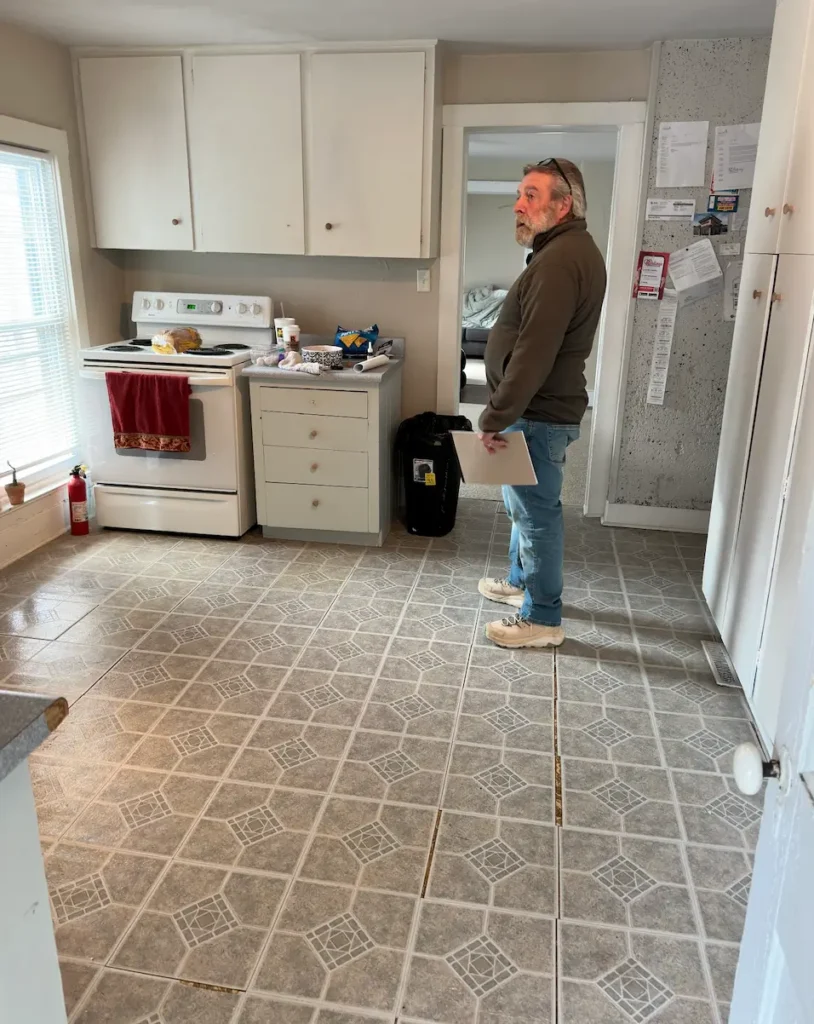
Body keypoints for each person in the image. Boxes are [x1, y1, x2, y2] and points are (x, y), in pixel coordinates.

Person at [477, 158, 607, 649]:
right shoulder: (563, 252)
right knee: (523, 507)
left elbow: (534, 351)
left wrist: (494, 417)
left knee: (536, 515)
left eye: (531, 195)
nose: (519, 205)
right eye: (520, 195)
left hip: (537, 413)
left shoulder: (560, 260)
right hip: (535, 412)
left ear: (563, 204)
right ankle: (520, 583)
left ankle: (543, 617)